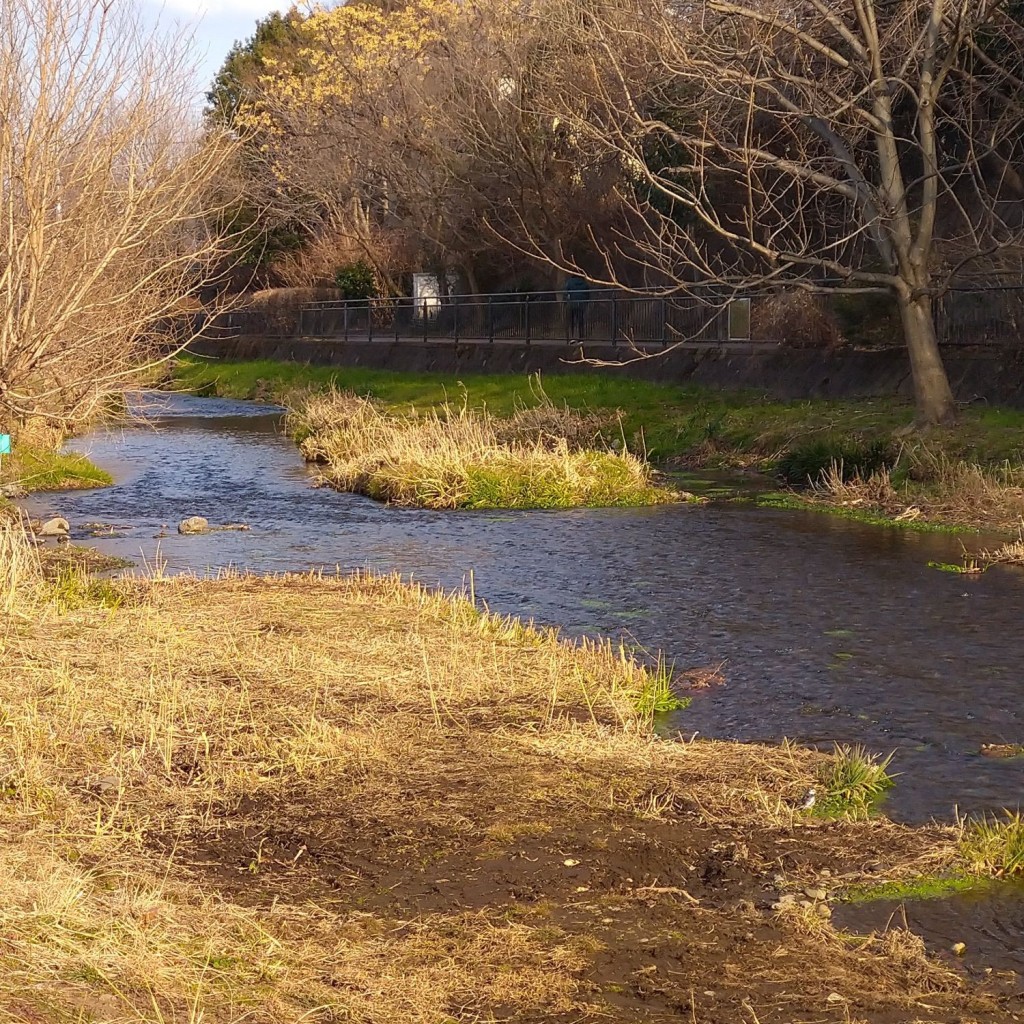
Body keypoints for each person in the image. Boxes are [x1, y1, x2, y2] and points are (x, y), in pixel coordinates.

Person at [564, 274, 590, 341]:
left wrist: (565, 301)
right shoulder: (584, 283)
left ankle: (571, 337)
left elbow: (566, 292)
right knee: (580, 321)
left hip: (572, 303)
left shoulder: (569, 282)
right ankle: (581, 337)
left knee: (571, 321)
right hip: (581, 304)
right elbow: (588, 293)